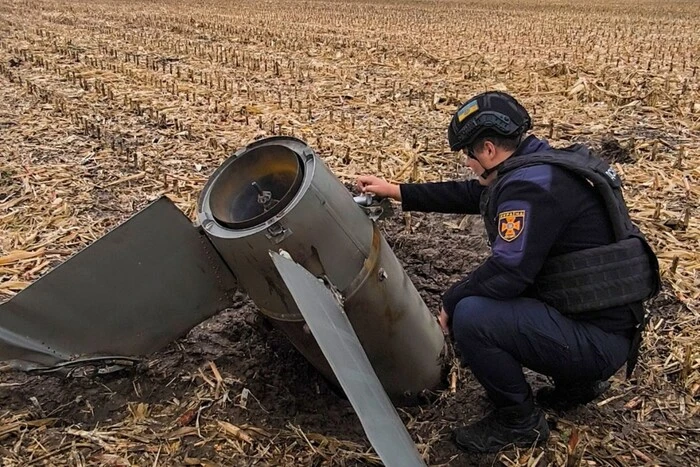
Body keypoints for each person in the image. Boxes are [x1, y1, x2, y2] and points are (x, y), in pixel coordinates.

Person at [356, 91, 660, 453]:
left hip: (597, 343)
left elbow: (507, 272)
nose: (467, 163)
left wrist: (450, 303)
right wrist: (397, 191)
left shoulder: (528, 187)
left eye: (468, 154)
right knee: (501, 294)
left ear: (487, 149)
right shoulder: (541, 167)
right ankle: (577, 383)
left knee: (473, 315)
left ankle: (520, 421)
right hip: (608, 325)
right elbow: (475, 194)